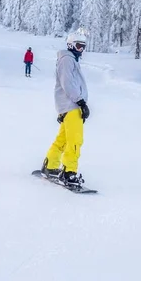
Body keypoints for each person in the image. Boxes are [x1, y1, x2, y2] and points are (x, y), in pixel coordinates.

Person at [40, 31, 90, 187]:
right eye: (78, 46)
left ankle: (51, 165)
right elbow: (67, 83)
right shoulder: (67, 60)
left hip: (67, 106)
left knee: (63, 139)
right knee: (75, 140)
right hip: (72, 105)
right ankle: (69, 172)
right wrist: (80, 102)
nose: (81, 50)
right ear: (70, 45)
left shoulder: (69, 60)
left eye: (83, 47)